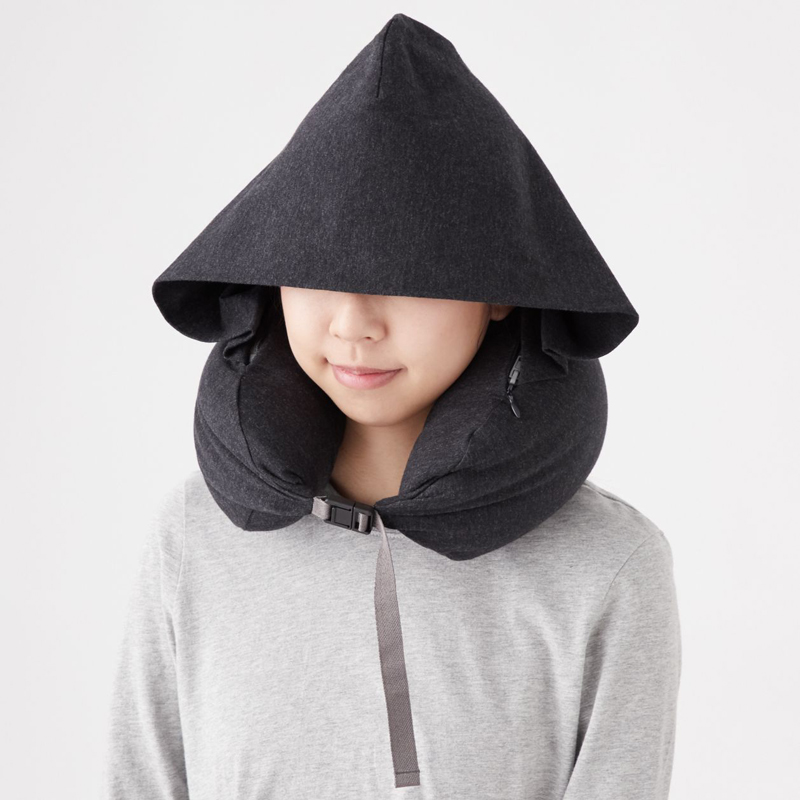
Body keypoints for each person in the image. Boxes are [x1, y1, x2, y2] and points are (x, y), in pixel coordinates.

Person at [100, 13, 681, 800]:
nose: (353, 324)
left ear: (502, 291)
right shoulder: (191, 540)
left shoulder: (609, 567)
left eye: (408, 275)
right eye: (314, 270)